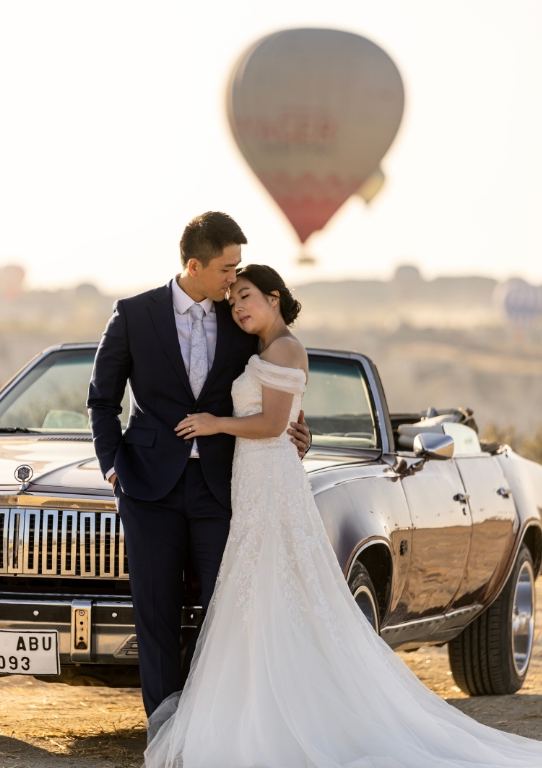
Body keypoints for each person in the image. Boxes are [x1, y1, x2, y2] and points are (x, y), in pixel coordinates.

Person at [144, 263, 542, 766]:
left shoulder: (287, 347)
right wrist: (290, 428)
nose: (239, 307)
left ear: (273, 297)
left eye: (246, 296)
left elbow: (269, 423)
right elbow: (283, 418)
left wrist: (211, 423)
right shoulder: (262, 350)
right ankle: (257, 706)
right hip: (256, 480)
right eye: (233, 302)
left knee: (276, 587)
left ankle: (283, 716)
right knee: (258, 593)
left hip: (272, 479)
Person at [86, 211, 312, 720]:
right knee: (156, 614)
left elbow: (280, 377)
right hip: (147, 487)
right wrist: (112, 467)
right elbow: (102, 398)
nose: (235, 280)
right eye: (227, 269)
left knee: (227, 611)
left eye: (237, 273)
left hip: (223, 485)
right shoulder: (133, 313)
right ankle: (165, 735)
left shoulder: (242, 322)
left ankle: (215, 727)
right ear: (195, 264)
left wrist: (299, 426)